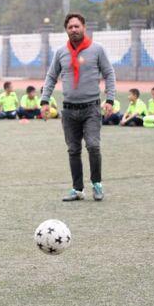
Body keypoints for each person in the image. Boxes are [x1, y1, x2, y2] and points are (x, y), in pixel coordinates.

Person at [41, 13, 116, 202]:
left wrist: (110, 99)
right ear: (66, 30)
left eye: (77, 26)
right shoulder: (60, 52)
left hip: (91, 107)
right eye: (70, 27)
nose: (74, 30)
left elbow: (109, 73)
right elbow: (51, 77)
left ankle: (97, 184)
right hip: (69, 110)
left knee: (93, 145)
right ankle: (77, 189)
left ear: (84, 27)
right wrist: (44, 101)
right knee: (73, 150)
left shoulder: (97, 49)